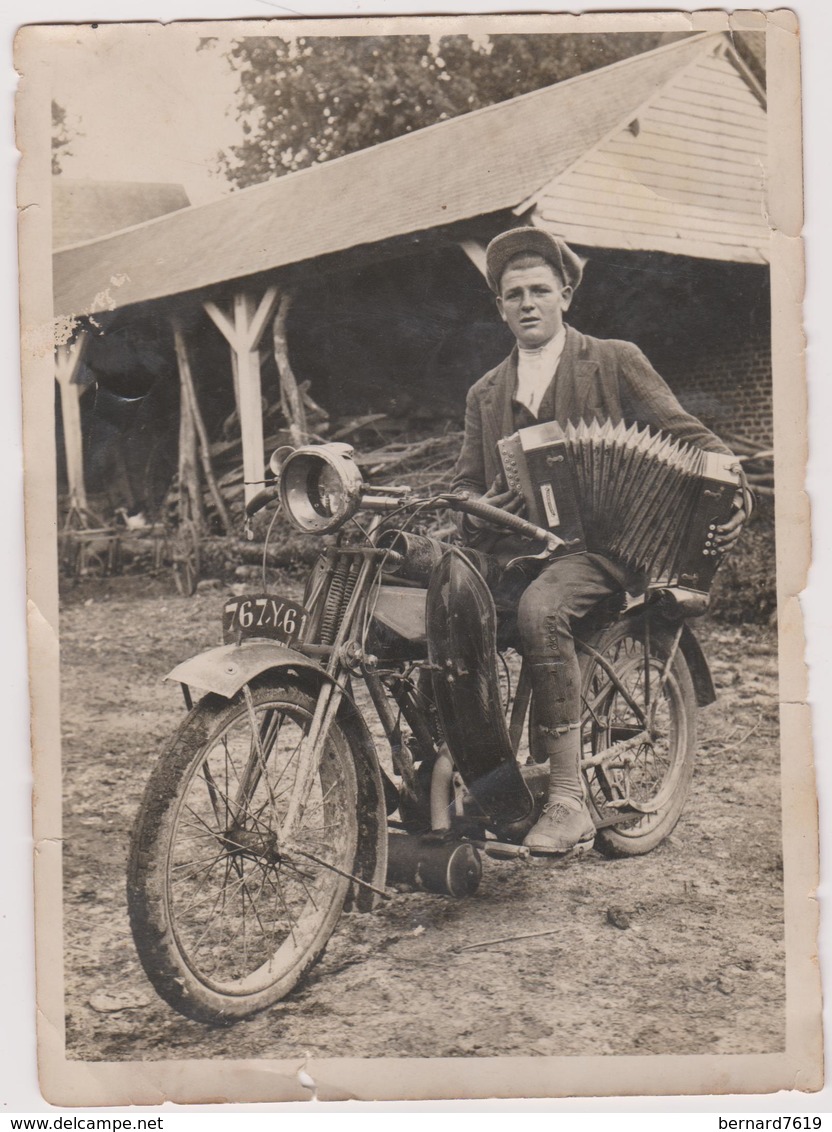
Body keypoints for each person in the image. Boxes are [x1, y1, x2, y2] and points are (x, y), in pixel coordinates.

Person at [452, 227, 746, 855]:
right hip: (517, 554)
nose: (527, 303)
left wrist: (733, 494)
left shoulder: (614, 359)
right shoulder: (484, 393)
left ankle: (566, 798)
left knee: (542, 609)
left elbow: (691, 436)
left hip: (610, 550)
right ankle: (480, 772)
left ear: (565, 295)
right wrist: (483, 511)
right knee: (441, 604)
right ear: (498, 307)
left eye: (539, 290)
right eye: (513, 295)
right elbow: (465, 490)